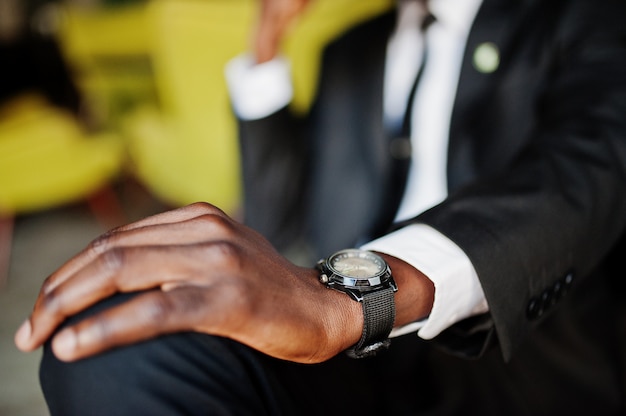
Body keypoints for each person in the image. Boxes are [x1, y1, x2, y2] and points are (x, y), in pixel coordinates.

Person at [14, 0, 626, 414]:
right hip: (358, 358)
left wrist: (355, 300)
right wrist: (265, 54)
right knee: (119, 341)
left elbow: (587, 167)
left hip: (520, 361)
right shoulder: (349, 50)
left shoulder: (583, 19)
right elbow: (277, 224)